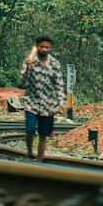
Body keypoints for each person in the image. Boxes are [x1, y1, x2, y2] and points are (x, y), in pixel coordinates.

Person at [20, 34, 65, 162]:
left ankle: (39, 161)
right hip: (31, 102)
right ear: (37, 47)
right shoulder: (30, 60)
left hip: (47, 104)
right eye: (41, 47)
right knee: (29, 129)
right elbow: (23, 80)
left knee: (43, 134)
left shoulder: (54, 63)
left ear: (50, 48)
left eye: (47, 47)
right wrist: (29, 66)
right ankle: (29, 152)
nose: (44, 49)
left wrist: (61, 102)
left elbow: (59, 84)